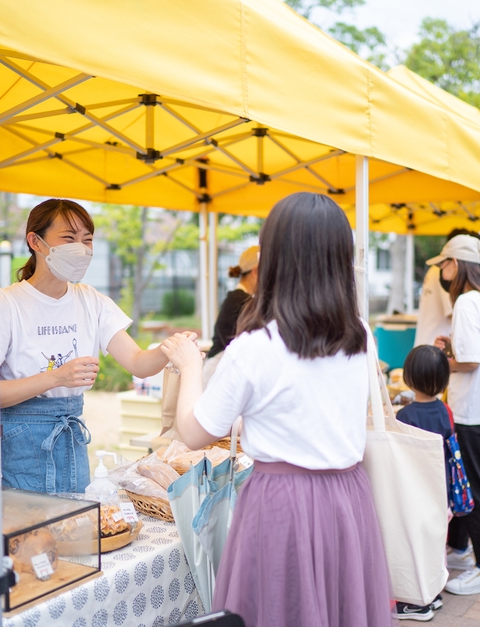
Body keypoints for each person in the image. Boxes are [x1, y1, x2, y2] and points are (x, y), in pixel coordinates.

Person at [160, 192, 393, 627]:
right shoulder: (361, 334)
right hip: (347, 498)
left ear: (276, 258)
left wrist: (190, 366)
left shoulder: (256, 347)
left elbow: (192, 433)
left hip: (281, 502)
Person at [0, 198, 182, 494]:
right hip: (18, 442)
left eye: (87, 240)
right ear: (36, 242)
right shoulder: (4, 303)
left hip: (71, 439)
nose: (81, 248)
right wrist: (57, 377)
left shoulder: (91, 300)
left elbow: (138, 363)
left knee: (72, 529)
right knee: (28, 533)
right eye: (69, 238)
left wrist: (170, 349)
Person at [428, 234, 480, 596]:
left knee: (475, 488)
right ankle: (460, 549)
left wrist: (443, 361)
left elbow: (471, 361)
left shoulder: (465, 302)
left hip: (473, 411)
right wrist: (451, 347)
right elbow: (477, 353)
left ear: (454, 264)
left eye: (442, 264)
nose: (440, 271)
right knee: (467, 481)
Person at [394, 344, 453, 621]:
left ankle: (418, 604)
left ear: (409, 377)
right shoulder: (444, 411)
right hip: (441, 491)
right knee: (435, 542)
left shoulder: (406, 416)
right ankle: (433, 592)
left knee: (414, 543)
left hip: (417, 492)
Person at [414, 229, 480, 349]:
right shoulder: (444, 273)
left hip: (427, 347)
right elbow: (454, 316)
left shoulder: (434, 271)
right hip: (436, 350)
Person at [202, 246, 258, 385]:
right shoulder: (240, 301)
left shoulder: (238, 298)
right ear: (256, 272)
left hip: (223, 370)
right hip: (219, 373)